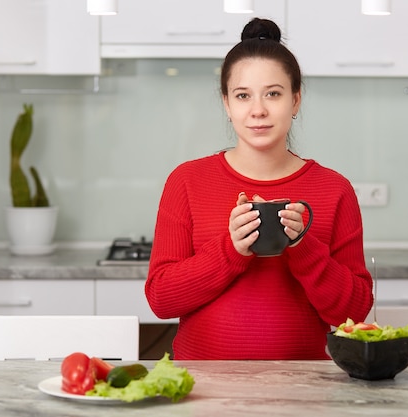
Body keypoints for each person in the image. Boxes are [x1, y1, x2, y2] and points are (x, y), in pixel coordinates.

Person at [145, 18, 373, 360]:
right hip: (203, 394)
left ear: (295, 101)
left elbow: (353, 313)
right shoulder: (186, 181)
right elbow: (161, 300)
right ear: (226, 103)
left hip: (304, 393)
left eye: (273, 94)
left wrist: (302, 245)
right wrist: (230, 249)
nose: (258, 110)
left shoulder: (334, 189)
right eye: (242, 95)